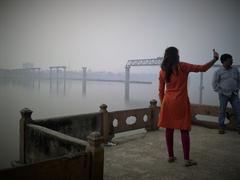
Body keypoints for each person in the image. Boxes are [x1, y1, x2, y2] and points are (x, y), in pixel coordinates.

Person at [158, 46, 219, 167]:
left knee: (169, 129)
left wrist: (163, 104)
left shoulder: (162, 71)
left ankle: (170, 156)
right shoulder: (183, 66)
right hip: (180, 102)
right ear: (177, 55)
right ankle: (187, 159)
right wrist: (214, 60)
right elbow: (202, 68)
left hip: (167, 102)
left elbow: (161, 91)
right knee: (184, 129)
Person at [212, 53, 240, 134]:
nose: (231, 61)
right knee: (222, 111)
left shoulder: (235, 70)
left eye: (232, 60)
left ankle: (239, 127)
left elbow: (238, 80)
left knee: (238, 109)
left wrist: (237, 88)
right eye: (229, 60)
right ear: (224, 61)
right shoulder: (218, 72)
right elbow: (214, 83)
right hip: (223, 94)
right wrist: (220, 91)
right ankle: (221, 127)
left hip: (234, 94)